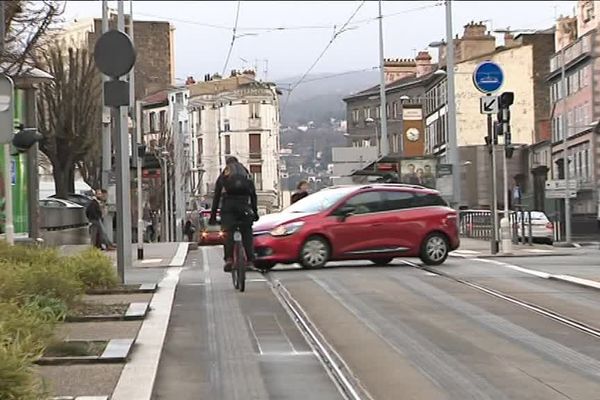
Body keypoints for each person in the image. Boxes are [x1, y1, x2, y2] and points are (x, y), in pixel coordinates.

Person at [209, 157, 259, 272]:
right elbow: (253, 195)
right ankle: (250, 260)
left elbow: (216, 197)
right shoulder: (245, 173)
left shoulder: (225, 173)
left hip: (228, 207)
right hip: (244, 206)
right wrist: (254, 212)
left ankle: (229, 259)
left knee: (228, 233)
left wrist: (213, 217)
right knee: (247, 232)